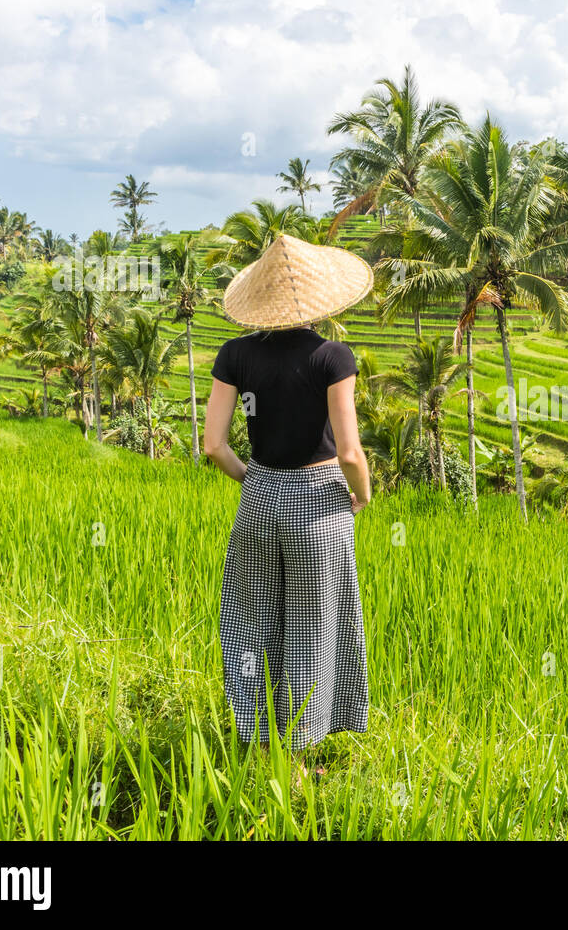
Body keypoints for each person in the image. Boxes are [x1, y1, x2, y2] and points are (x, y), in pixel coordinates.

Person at [202, 234, 374, 754]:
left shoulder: (234, 354)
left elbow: (213, 445)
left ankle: (254, 739)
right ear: (319, 300)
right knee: (313, 625)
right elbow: (349, 453)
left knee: (250, 619)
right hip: (319, 501)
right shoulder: (332, 356)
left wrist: (252, 480)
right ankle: (298, 753)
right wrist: (360, 497)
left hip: (257, 497)